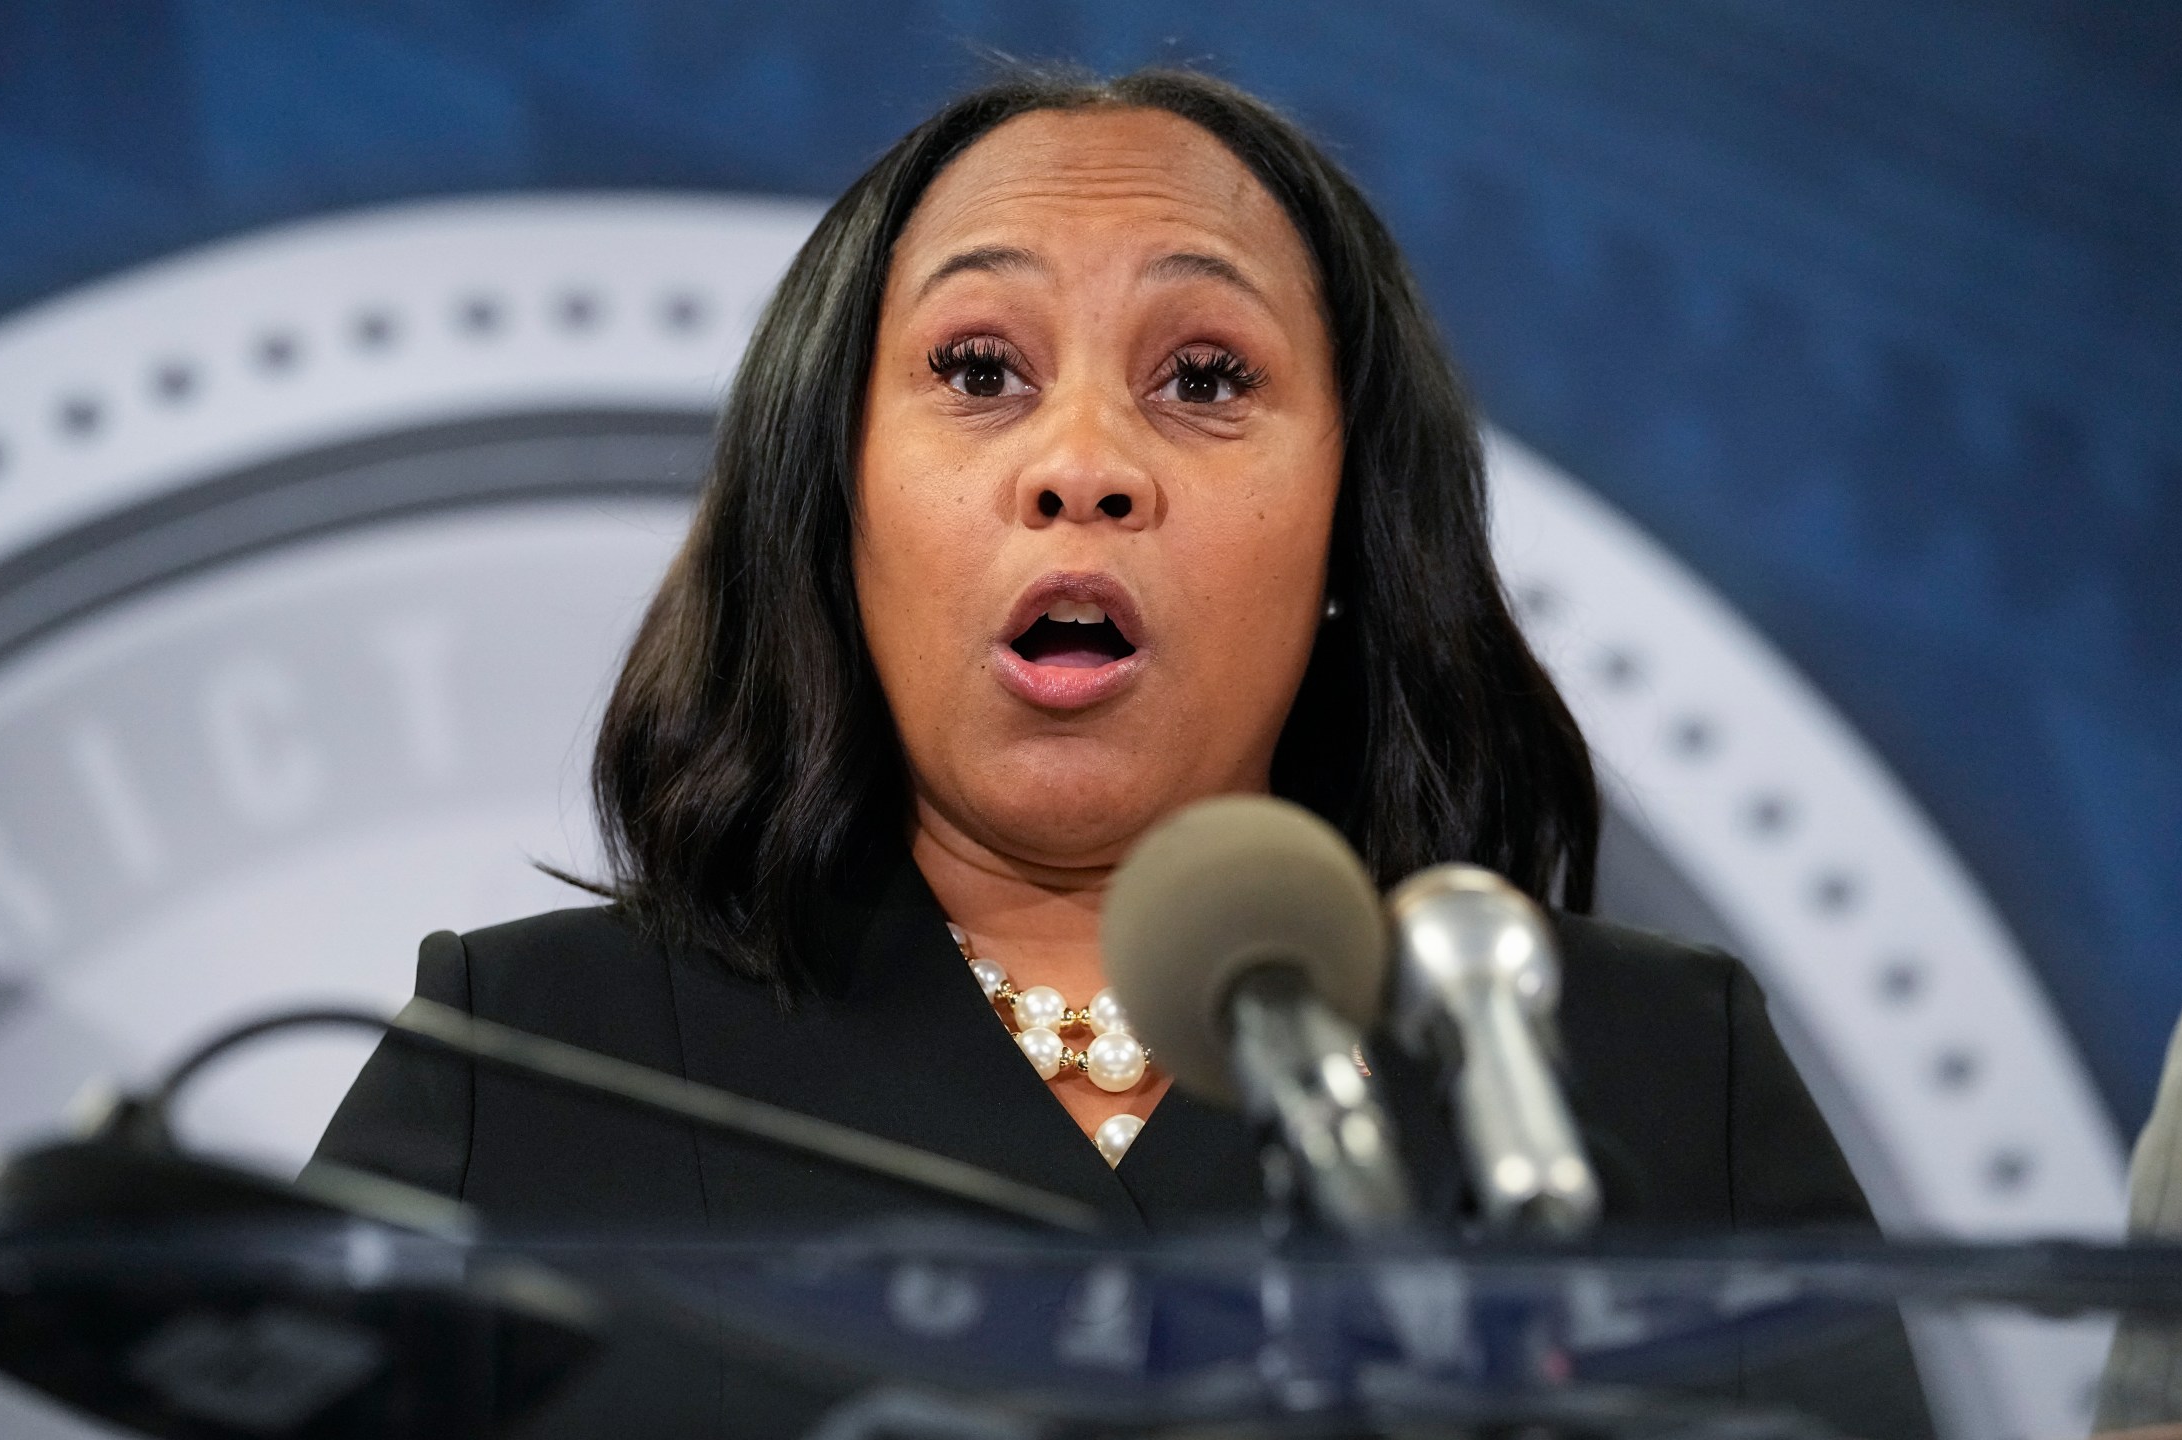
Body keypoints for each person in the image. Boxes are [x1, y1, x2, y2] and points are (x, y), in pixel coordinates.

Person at [314, 66, 1930, 1438]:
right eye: (978, 371)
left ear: (1353, 535)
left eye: (1207, 379)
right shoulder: (529, 1066)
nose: (1082, 464)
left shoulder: (1639, 1071)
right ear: (832, 506)